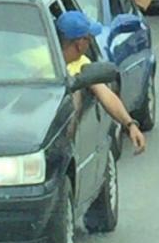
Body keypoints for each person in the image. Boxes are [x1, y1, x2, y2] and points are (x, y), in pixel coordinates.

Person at [55, 10, 146, 154]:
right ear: (79, 43)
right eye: (89, 38)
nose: (91, 43)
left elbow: (105, 94)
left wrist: (130, 125)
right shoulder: (38, 62)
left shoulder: (81, 64)